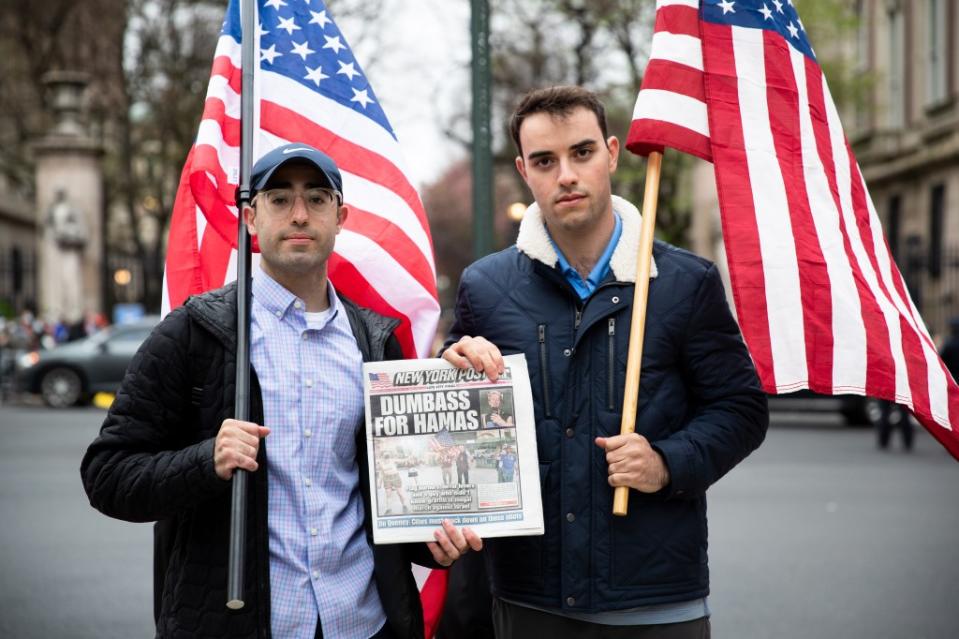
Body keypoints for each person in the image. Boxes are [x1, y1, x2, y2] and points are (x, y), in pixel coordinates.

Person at [80, 143, 480, 639]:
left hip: (363, 622)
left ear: (341, 217)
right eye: (278, 199)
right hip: (238, 623)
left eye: (316, 199)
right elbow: (107, 475)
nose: (298, 215)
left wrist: (430, 541)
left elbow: (391, 495)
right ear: (250, 217)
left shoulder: (377, 342)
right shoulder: (192, 333)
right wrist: (205, 460)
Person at [442, 87, 768, 638]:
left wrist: (667, 462)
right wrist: (453, 364)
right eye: (545, 161)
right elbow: (451, 426)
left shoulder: (685, 283)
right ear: (525, 170)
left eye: (582, 152)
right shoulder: (486, 287)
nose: (566, 174)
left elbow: (741, 409)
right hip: (530, 598)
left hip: (657, 601)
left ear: (612, 154)